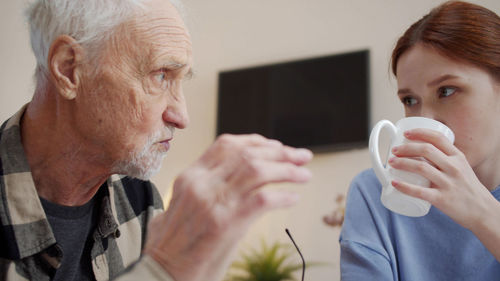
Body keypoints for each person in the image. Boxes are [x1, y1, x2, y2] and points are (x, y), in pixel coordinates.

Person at [0, 0, 314, 280]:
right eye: (161, 75)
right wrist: (166, 268)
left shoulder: (140, 200)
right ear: (69, 69)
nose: (182, 116)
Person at [340, 1, 500, 280]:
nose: (427, 119)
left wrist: (483, 215)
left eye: (447, 90)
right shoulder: (376, 191)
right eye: (410, 100)